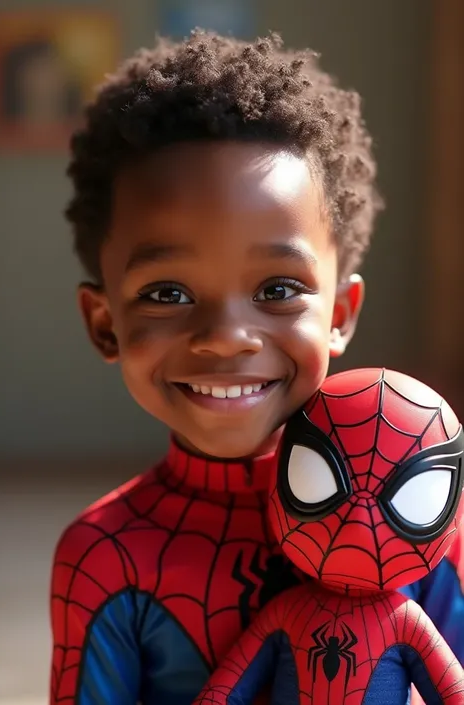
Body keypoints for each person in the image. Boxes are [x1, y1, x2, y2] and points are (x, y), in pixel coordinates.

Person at [49, 31, 464, 705]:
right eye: (167, 293)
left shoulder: (417, 512)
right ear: (105, 324)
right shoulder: (103, 555)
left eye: (277, 289)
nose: (225, 337)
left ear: (340, 313)